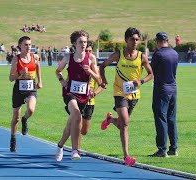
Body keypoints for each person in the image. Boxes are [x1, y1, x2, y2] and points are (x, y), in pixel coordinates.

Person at [99, 27, 153, 166]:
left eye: (137, 39)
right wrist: (103, 80)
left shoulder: (142, 57)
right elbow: (102, 66)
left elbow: (151, 74)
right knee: (126, 123)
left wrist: (141, 81)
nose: (135, 42)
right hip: (119, 93)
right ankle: (126, 156)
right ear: (126, 40)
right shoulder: (118, 55)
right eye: (132, 39)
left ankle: (110, 119)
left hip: (134, 94)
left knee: (123, 124)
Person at [54, 30, 101, 161]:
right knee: (77, 115)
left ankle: (60, 145)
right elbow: (58, 71)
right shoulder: (68, 57)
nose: (83, 44)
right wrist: (62, 81)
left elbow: (99, 80)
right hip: (69, 92)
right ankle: (75, 150)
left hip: (83, 96)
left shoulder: (91, 58)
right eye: (81, 42)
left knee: (70, 125)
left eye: (85, 42)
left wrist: (90, 71)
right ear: (75, 43)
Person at [8, 36, 42, 152]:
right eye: (26, 45)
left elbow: (37, 67)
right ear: (20, 46)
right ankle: (13, 138)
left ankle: (25, 119)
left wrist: (40, 80)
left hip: (31, 87)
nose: (28, 47)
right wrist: (20, 73)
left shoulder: (35, 57)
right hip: (18, 88)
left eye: (30, 44)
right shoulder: (16, 59)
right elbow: (11, 78)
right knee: (15, 118)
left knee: (31, 109)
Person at [149, 32, 179, 157]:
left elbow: (151, 71)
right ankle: (173, 148)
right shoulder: (175, 53)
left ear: (158, 41)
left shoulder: (158, 54)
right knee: (171, 118)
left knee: (161, 118)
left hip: (161, 89)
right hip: (173, 88)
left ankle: (162, 149)